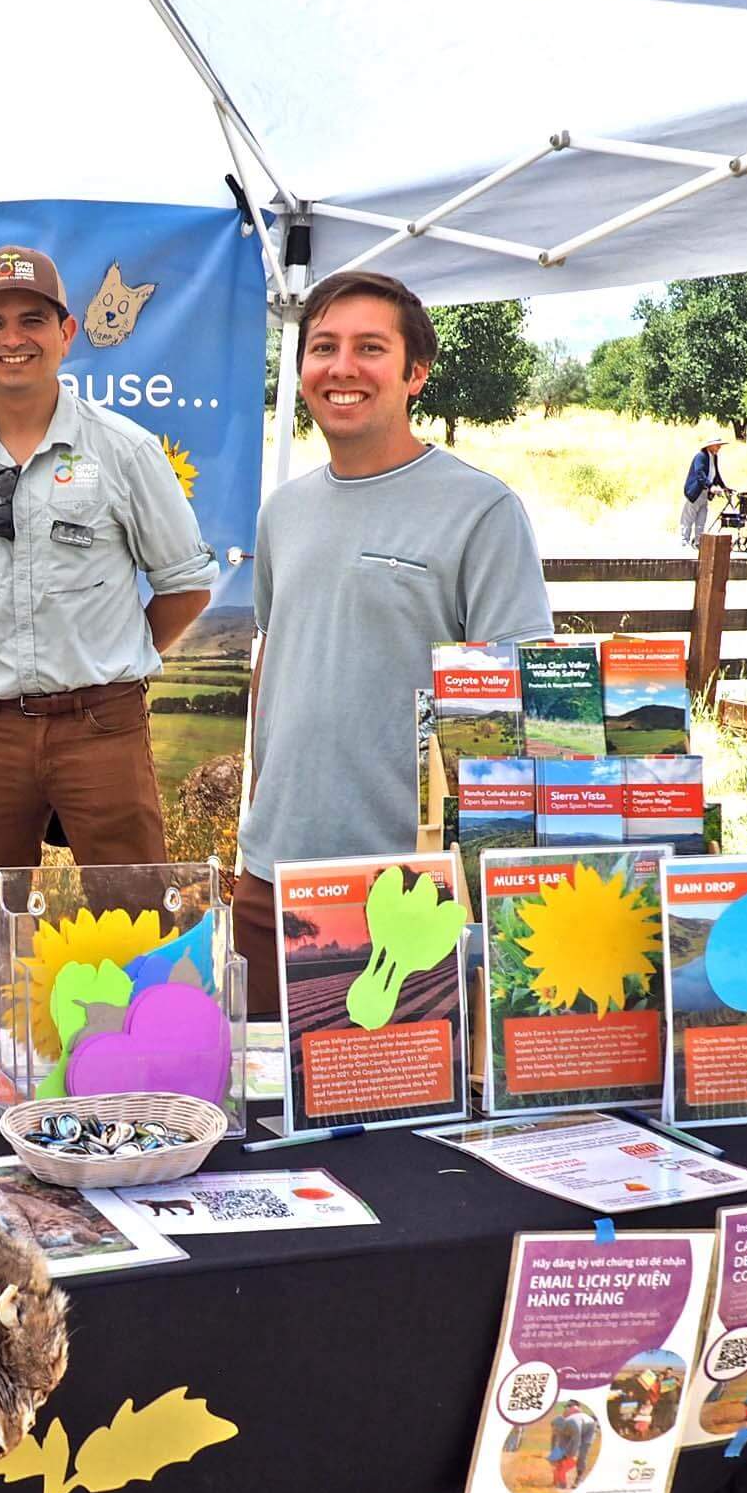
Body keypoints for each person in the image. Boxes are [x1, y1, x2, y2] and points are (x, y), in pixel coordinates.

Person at [0, 244, 217, 1029]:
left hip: (103, 727)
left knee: (142, 923)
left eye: (33, 320)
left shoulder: (124, 450)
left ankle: (162, 1086)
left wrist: (112, 660)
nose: (15, 338)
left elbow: (185, 584)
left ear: (67, 331)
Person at [236, 271, 552, 1013]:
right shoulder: (283, 511)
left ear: (416, 373)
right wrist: (256, 815)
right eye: (323, 347)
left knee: (390, 1118)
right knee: (259, 1113)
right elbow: (276, 661)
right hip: (269, 874)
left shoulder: (482, 510)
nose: (341, 367)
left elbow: (525, 707)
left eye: (369, 348)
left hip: (403, 896)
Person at [679, 438, 728, 546]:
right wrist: (711, 486)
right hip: (696, 492)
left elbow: (716, 474)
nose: (719, 447)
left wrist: (724, 487)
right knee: (689, 517)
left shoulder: (714, 457)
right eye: (717, 445)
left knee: (702, 517)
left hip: (705, 492)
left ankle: (698, 542)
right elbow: (700, 474)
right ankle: (684, 541)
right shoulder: (701, 456)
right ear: (709, 446)